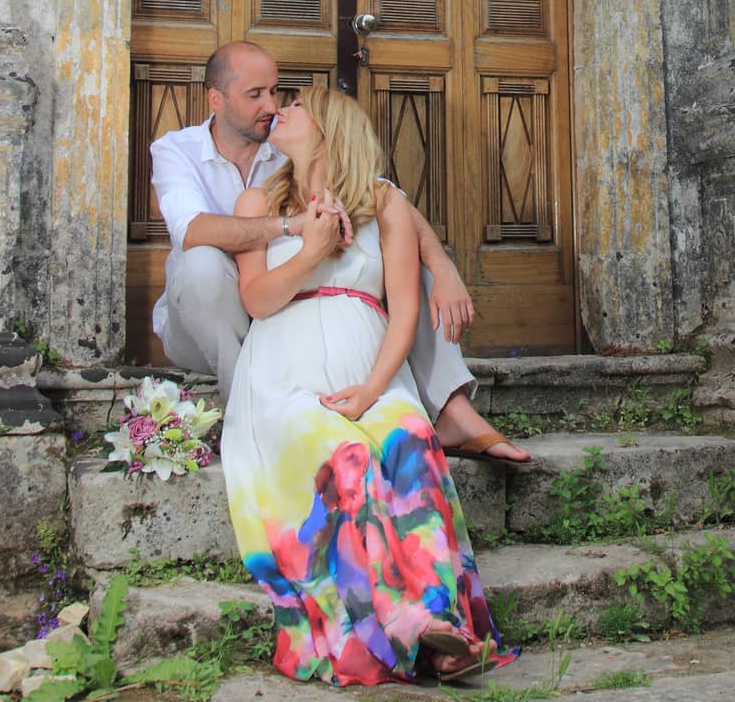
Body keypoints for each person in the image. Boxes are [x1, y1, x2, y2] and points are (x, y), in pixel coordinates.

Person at [222, 86, 515, 684]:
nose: (282, 110)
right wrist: (310, 252)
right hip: (285, 377)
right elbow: (256, 298)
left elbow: (405, 310)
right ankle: (409, 625)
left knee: (410, 441)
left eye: (298, 105)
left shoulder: (385, 205)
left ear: (329, 129)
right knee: (349, 459)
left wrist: (374, 389)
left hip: (371, 373)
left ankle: (442, 625)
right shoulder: (258, 202)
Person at [150, 40, 528, 463]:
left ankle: (453, 409)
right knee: (199, 261)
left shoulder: (290, 144)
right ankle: (246, 406)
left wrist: (444, 266)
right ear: (216, 99)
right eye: (256, 95)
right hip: (213, 316)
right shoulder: (177, 149)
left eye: (275, 92)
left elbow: (385, 198)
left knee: (412, 263)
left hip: (286, 312)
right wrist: (295, 227)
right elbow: (193, 230)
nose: (272, 105)